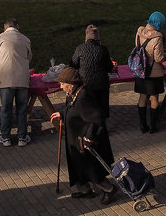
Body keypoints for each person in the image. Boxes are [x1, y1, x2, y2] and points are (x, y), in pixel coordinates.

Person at [49, 67, 118, 203]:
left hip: (84, 142)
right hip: (75, 139)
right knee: (77, 167)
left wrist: (89, 139)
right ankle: (86, 191)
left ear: (71, 84)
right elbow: (74, 110)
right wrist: (62, 114)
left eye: (62, 84)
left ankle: (109, 189)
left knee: (91, 169)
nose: (60, 86)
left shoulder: (83, 96)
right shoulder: (73, 94)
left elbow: (96, 119)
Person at [0, 17, 33, 146]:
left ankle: (5, 137)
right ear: (17, 27)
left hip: (6, 79)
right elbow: (29, 57)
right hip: (22, 79)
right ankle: (22, 138)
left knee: (6, 109)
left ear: (5, 27)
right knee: (22, 109)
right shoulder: (25, 39)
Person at [133, 11, 166, 134]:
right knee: (154, 98)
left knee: (142, 96)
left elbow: (137, 47)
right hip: (154, 72)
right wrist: (165, 54)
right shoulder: (158, 37)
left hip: (140, 70)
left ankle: (143, 125)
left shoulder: (139, 31)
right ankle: (153, 126)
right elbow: (159, 58)